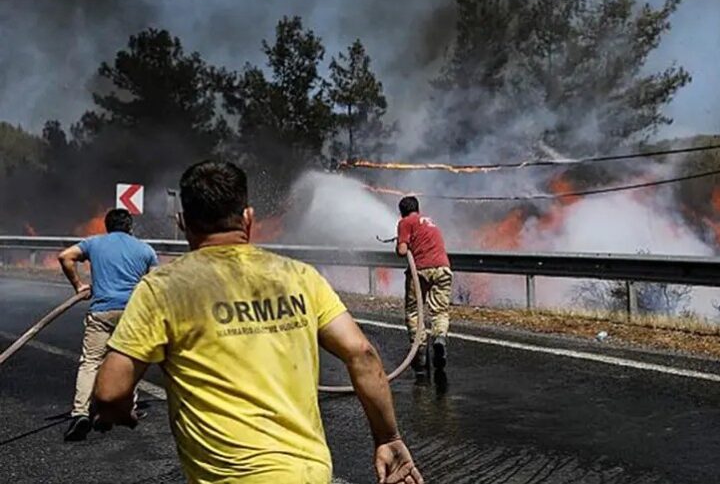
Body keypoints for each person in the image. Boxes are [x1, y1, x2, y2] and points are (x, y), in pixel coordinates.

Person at [92, 161, 422, 484]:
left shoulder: (161, 289)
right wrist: (387, 437)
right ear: (248, 218)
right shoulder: (300, 276)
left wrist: (118, 412)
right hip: (310, 474)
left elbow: (109, 392)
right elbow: (362, 354)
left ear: (182, 222)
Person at [57, 208, 158, 441]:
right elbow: (154, 283)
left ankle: (81, 413)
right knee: (130, 359)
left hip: (101, 311)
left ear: (107, 226)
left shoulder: (94, 243)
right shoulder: (145, 249)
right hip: (132, 313)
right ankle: (126, 410)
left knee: (91, 362)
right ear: (130, 227)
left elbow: (65, 257)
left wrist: (78, 285)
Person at [396, 196, 452, 376]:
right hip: (443, 268)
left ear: (402, 211)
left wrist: (399, 246)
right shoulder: (430, 222)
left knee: (414, 311)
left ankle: (420, 353)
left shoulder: (405, 222)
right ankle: (440, 338)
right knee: (440, 311)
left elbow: (403, 251)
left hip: (420, 270)